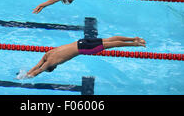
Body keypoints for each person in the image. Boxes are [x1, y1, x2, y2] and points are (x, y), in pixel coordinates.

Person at [17, 35, 146, 78]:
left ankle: (135, 44)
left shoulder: (50, 63)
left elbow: (39, 69)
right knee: (108, 40)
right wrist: (27, 71)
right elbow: (37, 65)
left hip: (84, 48)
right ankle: (133, 38)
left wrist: (26, 77)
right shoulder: (48, 54)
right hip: (81, 42)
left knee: (111, 45)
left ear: (52, 67)